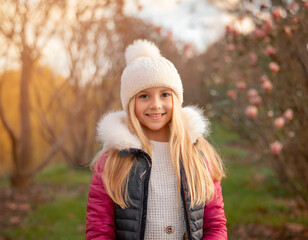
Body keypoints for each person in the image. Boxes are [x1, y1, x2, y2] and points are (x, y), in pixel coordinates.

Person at [86, 39, 227, 240]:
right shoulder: (113, 160)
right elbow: (99, 229)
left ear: (176, 100)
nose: (156, 105)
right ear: (130, 104)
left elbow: (215, 225)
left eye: (164, 94)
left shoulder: (197, 154)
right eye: (144, 96)